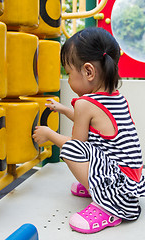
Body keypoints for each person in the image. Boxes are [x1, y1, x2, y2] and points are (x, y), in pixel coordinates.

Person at [32, 27, 145, 234]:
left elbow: (78, 146)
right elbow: (95, 122)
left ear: (88, 71)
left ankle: (108, 206)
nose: (68, 76)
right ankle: (99, 185)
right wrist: (64, 110)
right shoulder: (115, 97)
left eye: (68, 71)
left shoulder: (86, 104)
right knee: (87, 148)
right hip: (130, 177)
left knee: (72, 151)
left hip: (118, 186)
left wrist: (48, 134)